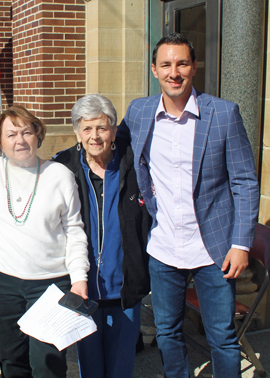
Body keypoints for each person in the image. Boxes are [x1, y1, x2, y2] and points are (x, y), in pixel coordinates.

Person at [119, 32, 260, 378]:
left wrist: (241, 244)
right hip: (163, 248)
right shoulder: (139, 111)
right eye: (166, 64)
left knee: (223, 339)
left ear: (194, 67)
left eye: (182, 63)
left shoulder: (223, 114)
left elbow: (245, 182)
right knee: (167, 333)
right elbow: (110, 148)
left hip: (214, 251)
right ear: (154, 70)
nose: (174, 72)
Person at [0, 105, 90, 378]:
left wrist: (79, 278)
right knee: (11, 361)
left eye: (27, 132)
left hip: (51, 283)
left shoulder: (60, 176)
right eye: (10, 134)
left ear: (38, 135)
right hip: (3, 284)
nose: (20, 140)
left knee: (48, 363)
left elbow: (74, 230)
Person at [53, 94, 152, 378]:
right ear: (76, 132)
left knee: (121, 367)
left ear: (113, 130)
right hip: (83, 288)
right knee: (90, 367)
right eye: (87, 128)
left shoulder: (136, 165)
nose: (94, 136)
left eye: (102, 127)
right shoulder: (63, 167)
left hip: (126, 286)